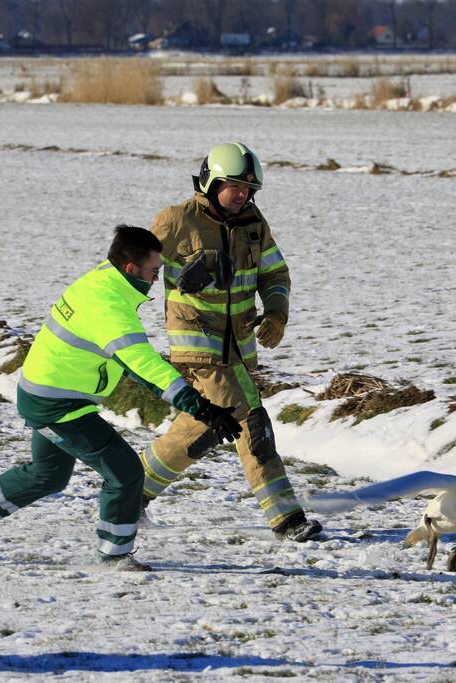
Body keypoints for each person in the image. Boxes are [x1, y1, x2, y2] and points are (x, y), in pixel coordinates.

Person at [0, 226, 241, 571]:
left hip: (47, 390)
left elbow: (147, 268)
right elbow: (142, 364)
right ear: (131, 269)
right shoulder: (109, 309)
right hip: (57, 404)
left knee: (47, 475)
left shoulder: (103, 277)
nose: (159, 278)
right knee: (126, 471)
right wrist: (201, 407)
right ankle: (115, 555)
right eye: (155, 271)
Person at [139, 141, 322, 542]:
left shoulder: (255, 223)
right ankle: (287, 519)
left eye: (248, 188)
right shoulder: (175, 221)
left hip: (240, 349)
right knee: (250, 419)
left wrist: (276, 313)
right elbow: (133, 269)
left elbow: (275, 275)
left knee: (200, 428)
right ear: (210, 181)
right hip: (198, 348)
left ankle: (129, 492)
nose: (241, 195)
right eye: (234, 186)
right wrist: (179, 275)